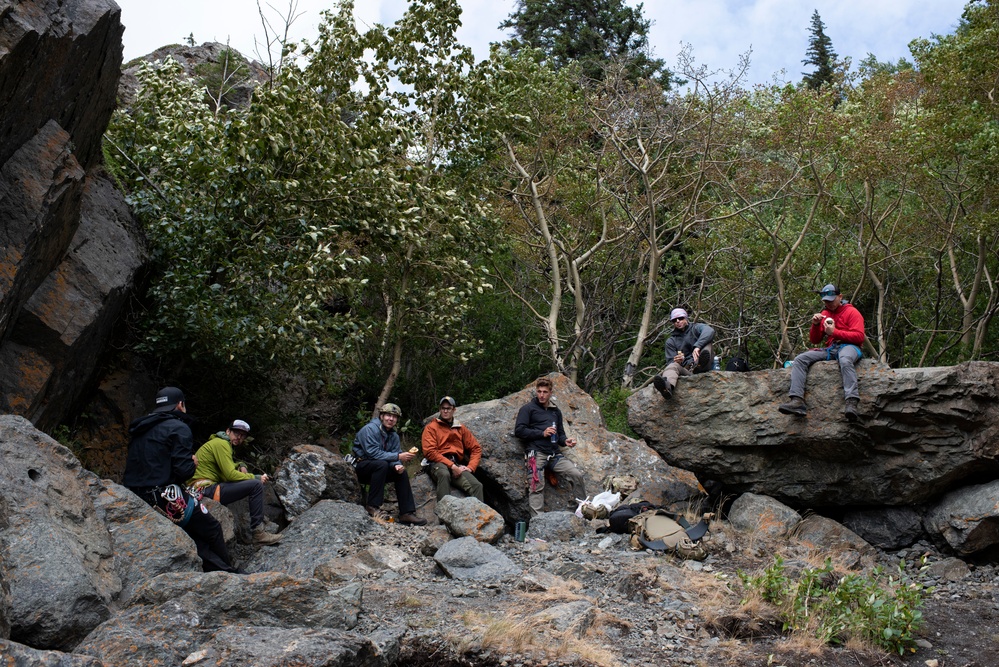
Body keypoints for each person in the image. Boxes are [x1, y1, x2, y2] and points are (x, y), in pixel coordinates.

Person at [122, 387, 237, 573]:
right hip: (163, 496)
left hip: (135, 495)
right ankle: (230, 574)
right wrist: (193, 463)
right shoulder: (179, 428)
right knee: (212, 527)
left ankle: (220, 570)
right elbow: (184, 471)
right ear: (180, 405)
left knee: (193, 534)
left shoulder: (141, 427)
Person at [186, 419, 282, 545]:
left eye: (242, 435)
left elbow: (227, 469)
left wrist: (240, 464)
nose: (239, 437)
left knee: (249, 483)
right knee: (256, 485)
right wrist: (255, 477)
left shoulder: (220, 443)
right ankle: (258, 533)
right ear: (228, 431)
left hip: (203, 488)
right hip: (205, 489)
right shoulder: (221, 444)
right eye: (236, 433)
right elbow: (230, 475)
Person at [778, 284, 866, 421]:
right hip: (831, 349)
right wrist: (816, 325)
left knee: (845, 359)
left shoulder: (852, 312)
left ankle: (851, 402)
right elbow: (814, 340)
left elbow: (860, 337)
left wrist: (835, 332)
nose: (829, 304)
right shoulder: (825, 314)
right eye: (826, 301)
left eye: (831, 300)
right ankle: (797, 400)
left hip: (851, 347)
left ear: (840, 297)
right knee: (801, 359)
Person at [514, 377, 587, 516]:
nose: (541, 395)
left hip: (554, 454)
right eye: (539, 391)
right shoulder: (528, 409)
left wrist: (566, 441)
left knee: (576, 474)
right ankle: (538, 522)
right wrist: (542, 433)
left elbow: (560, 434)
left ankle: (582, 510)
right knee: (536, 485)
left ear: (550, 393)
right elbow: (519, 431)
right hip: (536, 453)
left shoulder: (555, 411)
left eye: (545, 392)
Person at [351, 403, 428, 525]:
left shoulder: (394, 436)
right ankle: (372, 506)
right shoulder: (370, 429)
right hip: (360, 467)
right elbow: (372, 454)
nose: (391, 419)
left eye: (394, 417)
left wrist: (397, 465)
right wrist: (398, 457)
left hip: (379, 470)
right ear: (381, 416)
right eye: (388, 415)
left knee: (401, 473)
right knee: (381, 464)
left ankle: (406, 513)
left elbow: (394, 454)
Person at [421, 396, 485, 502]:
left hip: (455, 464)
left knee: (476, 486)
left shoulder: (460, 427)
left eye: (448, 408)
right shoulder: (431, 427)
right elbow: (430, 452)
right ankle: (443, 514)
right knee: (444, 474)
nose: (445, 411)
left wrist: (470, 467)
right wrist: (452, 466)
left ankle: (480, 517)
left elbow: (476, 448)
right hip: (436, 462)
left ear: (454, 410)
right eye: (443, 408)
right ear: (439, 409)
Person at [652, 308, 715, 400]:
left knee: (707, 344)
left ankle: (701, 364)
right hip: (688, 371)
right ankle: (666, 387)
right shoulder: (671, 341)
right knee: (672, 366)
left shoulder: (696, 328)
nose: (678, 321)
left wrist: (698, 346)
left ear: (686, 318)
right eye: (674, 320)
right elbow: (670, 362)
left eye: (680, 318)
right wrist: (678, 361)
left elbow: (710, 331)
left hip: (703, 364)